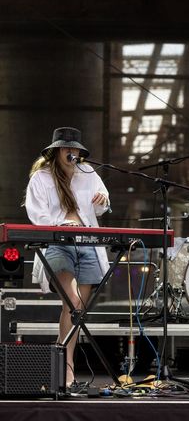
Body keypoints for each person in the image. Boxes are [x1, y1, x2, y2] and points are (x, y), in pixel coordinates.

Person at [24, 127, 111, 388]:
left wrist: (102, 199)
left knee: (75, 311)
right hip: (58, 244)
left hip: (87, 244)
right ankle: (63, 365)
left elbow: (101, 207)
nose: (71, 152)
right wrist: (61, 224)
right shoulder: (41, 178)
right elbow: (36, 214)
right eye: (66, 148)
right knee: (73, 302)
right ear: (56, 151)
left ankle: (64, 365)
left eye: (75, 148)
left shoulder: (88, 173)